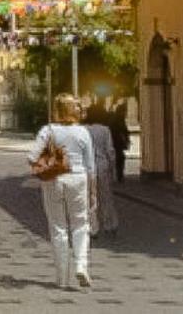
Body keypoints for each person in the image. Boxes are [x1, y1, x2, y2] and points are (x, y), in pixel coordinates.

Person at [28, 94, 96, 290]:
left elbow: (32, 156)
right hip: (79, 179)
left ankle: (62, 278)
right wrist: (93, 192)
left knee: (58, 227)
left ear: (57, 110)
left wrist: (43, 163)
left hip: (54, 180)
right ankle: (81, 265)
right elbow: (91, 166)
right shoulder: (83, 132)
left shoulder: (47, 130)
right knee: (80, 224)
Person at [82, 106, 119, 235]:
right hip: (103, 165)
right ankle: (110, 224)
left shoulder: (84, 130)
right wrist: (113, 169)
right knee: (106, 196)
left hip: (88, 167)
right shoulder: (105, 130)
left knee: (90, 197)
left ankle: (93, 227)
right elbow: (110, 151)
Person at [109, 101, 131, 183]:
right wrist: (126, 138)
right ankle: (119, 176)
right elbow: (123, 130)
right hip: (116, 142)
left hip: (116, 142)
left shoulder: (116, 118)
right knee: (120, 159)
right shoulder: (118, 119)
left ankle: (119, 175)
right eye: (125, 111)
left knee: (119, 159)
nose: (126, 113)